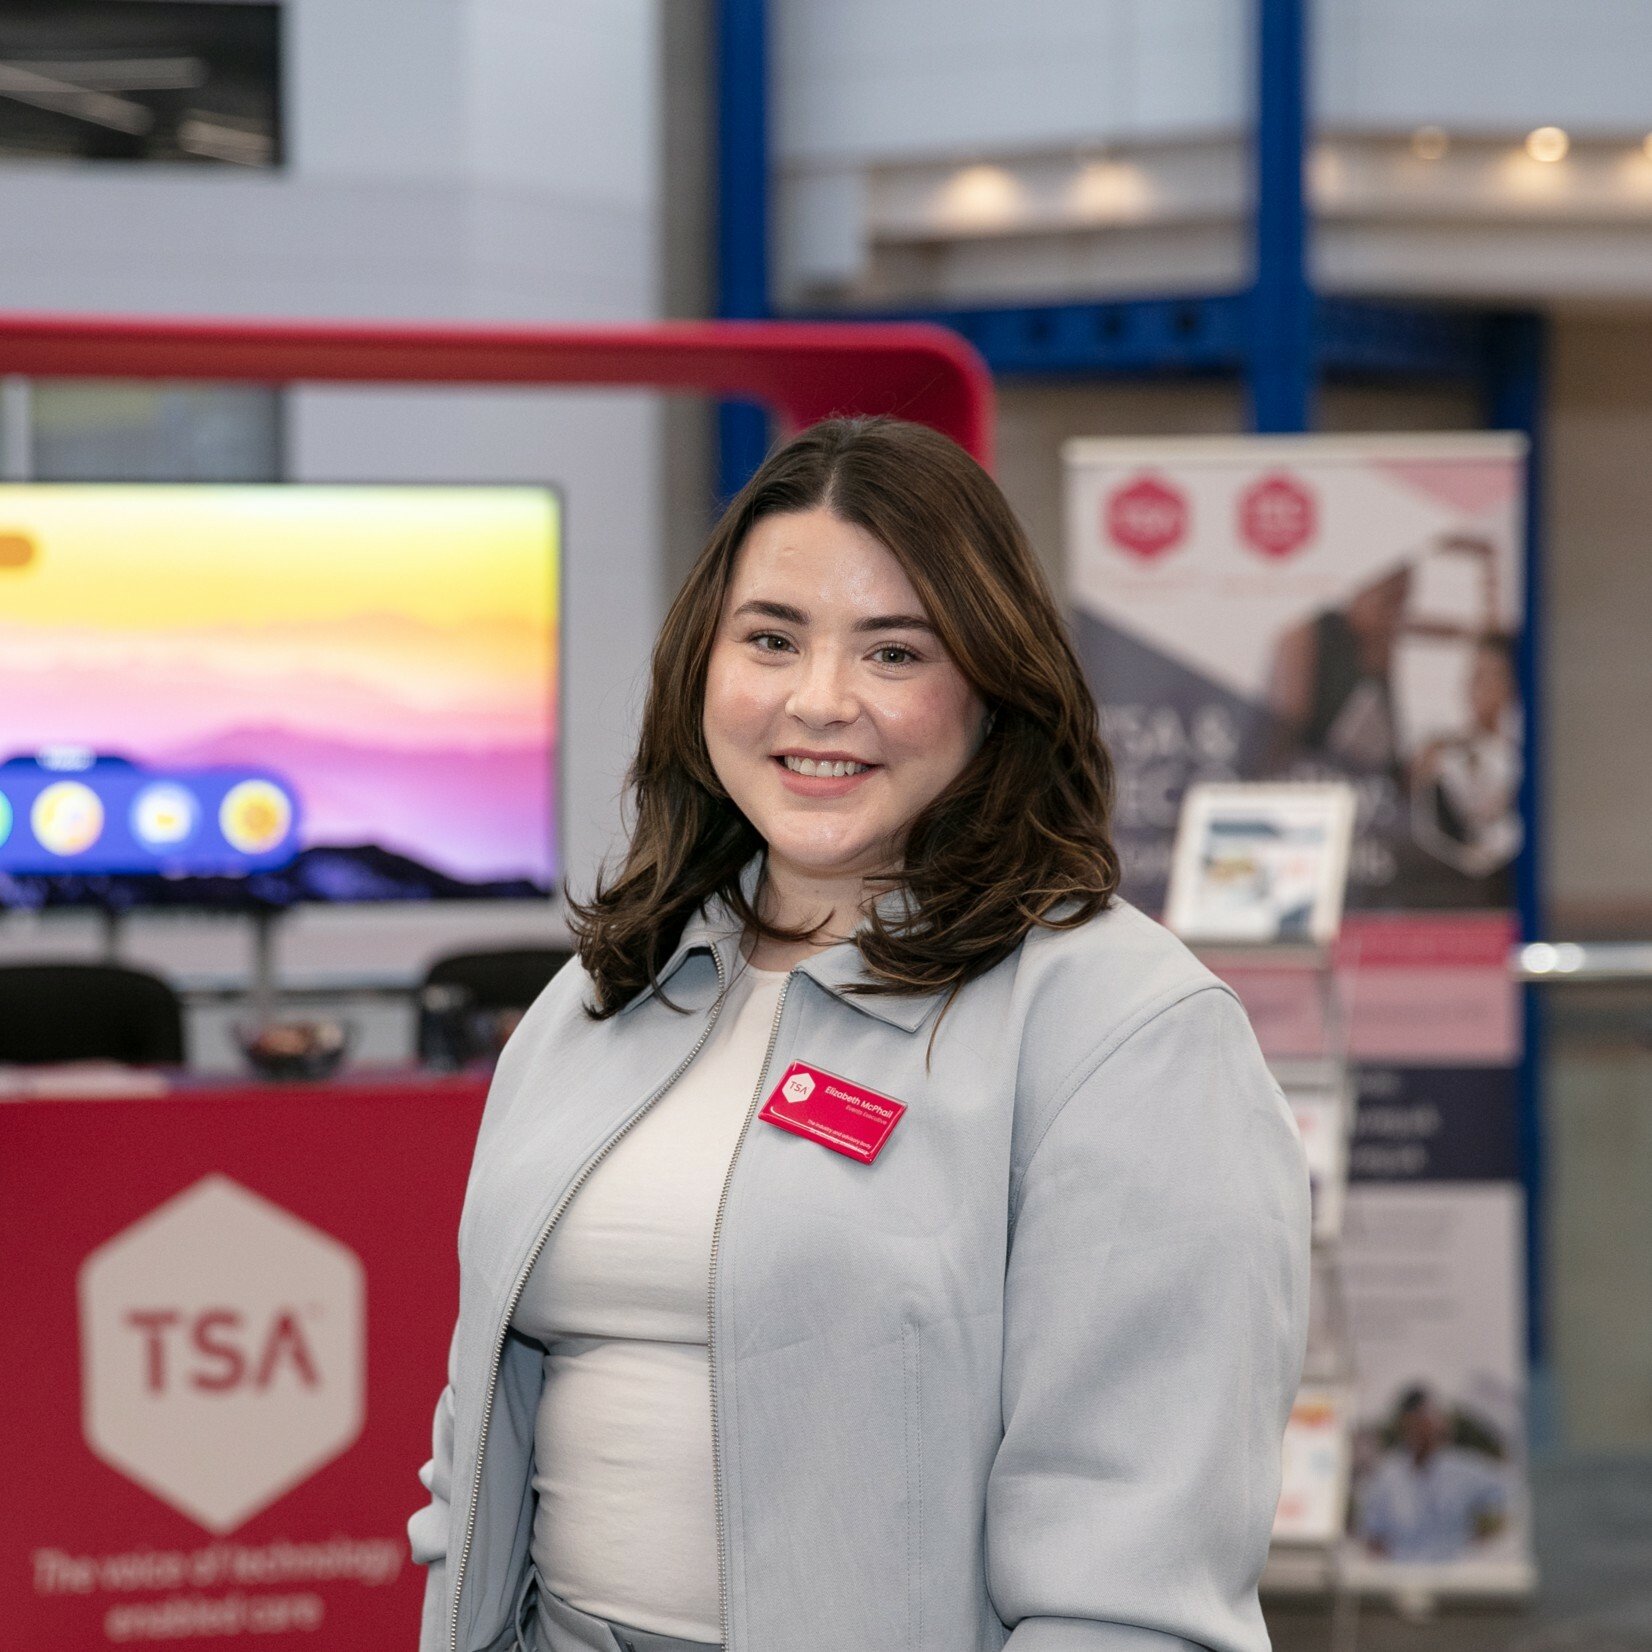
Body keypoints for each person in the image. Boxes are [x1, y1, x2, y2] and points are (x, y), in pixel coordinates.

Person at [409, 417, 1311, 1652]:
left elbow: (1130, 1570)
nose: (819, 700)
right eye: (770, 638)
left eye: (894, 651)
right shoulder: (601, 994)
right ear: (700, 666)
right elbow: (475, 1445)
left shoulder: (1123, 1029)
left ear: (992, 689)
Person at [1356, 1387, 1510, 1564]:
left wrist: (1480, 1549)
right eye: (1419, 1419)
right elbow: (1371, 1535)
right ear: (1405, 1423)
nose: (1426, 1426)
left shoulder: (1465, 1468)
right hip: (1401, 1574)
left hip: (1457, 1573)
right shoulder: (1385, 1476)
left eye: (1431, 1417)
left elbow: (1508, 1497)